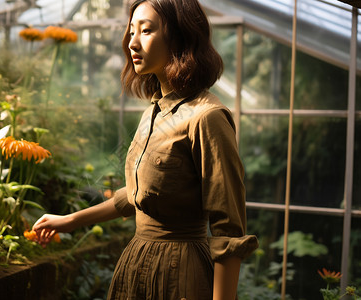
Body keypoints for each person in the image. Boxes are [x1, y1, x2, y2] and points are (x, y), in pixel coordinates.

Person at [33, 0, 259, 299]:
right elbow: (139, 193)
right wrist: (71, 221)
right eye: (131, 31)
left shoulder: (207, 117)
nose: (132, 42)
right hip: (136, 265)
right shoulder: (153, 112)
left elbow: (228, 231)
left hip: (181, 275)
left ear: (180, 37)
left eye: (147, 30)